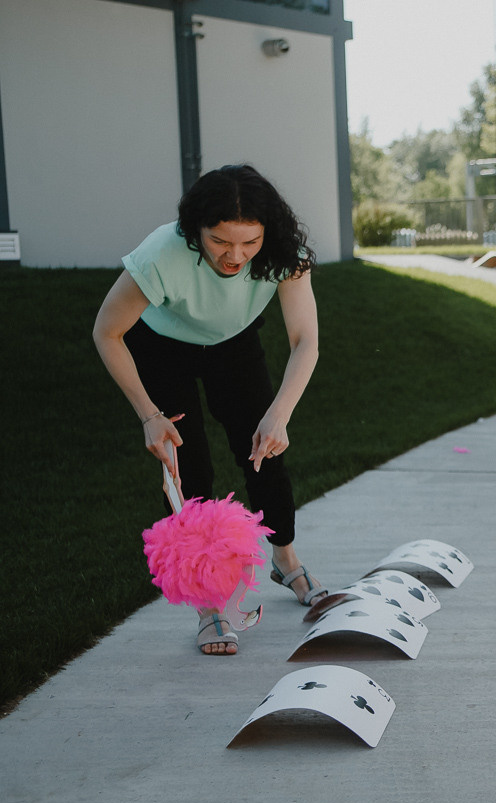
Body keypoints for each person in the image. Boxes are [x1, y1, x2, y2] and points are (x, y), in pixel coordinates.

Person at [93, 164, 328, 656]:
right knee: (189, 468)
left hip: (234, 343)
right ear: (194, 228)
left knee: (264, 450)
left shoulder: (284, 252)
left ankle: (285, 560)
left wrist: (279, 413)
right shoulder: (163, 253)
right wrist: (148, 414)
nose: (236, 256)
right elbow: (107, 332)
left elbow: (306, 341)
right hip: (161, 347)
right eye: (221, 241)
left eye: (250, 243)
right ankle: (208, 605)